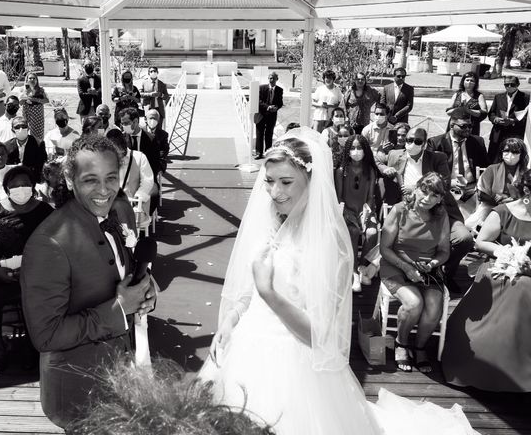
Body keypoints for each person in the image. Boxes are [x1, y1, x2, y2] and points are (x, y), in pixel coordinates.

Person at [199, 128, 476, 434]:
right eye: (268, 181)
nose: (274, 191)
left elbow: (318, 334)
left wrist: (269, 293)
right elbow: (249, 290)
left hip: (296, 367)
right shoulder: (269, 219)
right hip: (245, 349)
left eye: (286, 182)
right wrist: (231, 320)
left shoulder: (329, 242)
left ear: (312, 181)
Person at [20, 135, 156, 428]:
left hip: (126, 369)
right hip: (79, 388)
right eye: (91, 180)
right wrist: (120, 309)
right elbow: (46, 336)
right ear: (70, 179)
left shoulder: (120, 211)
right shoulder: (48, 243)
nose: (104, 189)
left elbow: (123, 270)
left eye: (111, 177)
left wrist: (145, 291)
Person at [442, 169, 531, 392]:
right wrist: (509, 254)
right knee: (516, 287)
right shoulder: (502, 211)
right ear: (527, 190)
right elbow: (481, 242)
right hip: (499, 266)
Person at [0, 166, 53, 372]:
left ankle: (34, 346)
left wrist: (32, 271)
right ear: (6, 189)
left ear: (33, 186)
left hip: (38, 271)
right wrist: (0, 272)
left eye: (25, 184)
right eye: (14, 186)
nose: (20, 189)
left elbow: (57, 247)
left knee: (41, 295)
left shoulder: (45, 212)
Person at [378, 127, 474, 293]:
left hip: (439, 209)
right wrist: (385, 169)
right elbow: (377, 160)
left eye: (417, 141)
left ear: (424, 144)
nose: (412, 144)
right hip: (408, 212)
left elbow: (443, 184)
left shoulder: (438, 158)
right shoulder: (395, 155)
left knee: (464, 238)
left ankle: (445, 272)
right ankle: (412, 269)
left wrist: (415, 188)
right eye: (409, 140)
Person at [380, 172, 450, 373]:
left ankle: (419, 347)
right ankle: (401, 343)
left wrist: (434, 262)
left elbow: (445, 251)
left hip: (427, 267)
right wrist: (406, 268)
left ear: (440, 198)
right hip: (395, 263)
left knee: (434, 306)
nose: (428, 199)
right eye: (424, 192)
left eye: (434, 196)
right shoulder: (400, 210)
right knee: (413, 303)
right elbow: (385, 247)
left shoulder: (441, 215)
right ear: (417, 189)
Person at [335, 135, 380, 292]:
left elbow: (370, 197)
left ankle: (362, 267)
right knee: (353, 232)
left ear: (365, 150)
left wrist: (366, 214)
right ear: (347, 151)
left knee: (372, 233)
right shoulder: (342, 171)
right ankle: (353, 272)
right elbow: (339, 198)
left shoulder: (370, 170)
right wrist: (348, 214)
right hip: (347, 210)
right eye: (353, 148)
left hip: (365, 209)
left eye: (359, 148)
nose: (356, 151)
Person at [427, 111, 488, 220]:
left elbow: (485, 168)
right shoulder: (436, 143)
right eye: (463, 126)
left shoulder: (477, 142)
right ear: (451, 125)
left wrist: (479, 186)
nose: (468, 129)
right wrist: (449, 182)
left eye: (470, 126)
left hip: (473, 189)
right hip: (447, 189)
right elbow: (429, 172)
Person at [465, 138, 528, 230]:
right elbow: (481, 195)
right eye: (506, 150)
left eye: (515, 152)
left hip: (519, 210)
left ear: (522, 155)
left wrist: (509, 200)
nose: (510, 154)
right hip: (491, 208)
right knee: (470, 227)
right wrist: (499, 202)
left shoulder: (526, 173)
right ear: (501, 152)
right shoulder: (492, 169)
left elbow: (527, 197)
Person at [107, 128, 154, 224]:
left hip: (134, 204)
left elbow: (147, 181)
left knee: (133, 217)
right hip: (110, 205)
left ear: (123, 146)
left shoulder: (139, 157)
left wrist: (138, 198)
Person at [486, 75, 530, 163]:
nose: (509, 87)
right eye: (506, 84)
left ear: (518, 84)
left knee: (512, 159)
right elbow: (491, 113)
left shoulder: (526, 98)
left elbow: (528, 117)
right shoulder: (498, 97)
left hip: (515, 134)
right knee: (493, 159)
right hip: (498, 133)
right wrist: (495, 119)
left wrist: (513, 121)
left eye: (512, 84)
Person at [5, 116, 47, 183]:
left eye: (24, 126)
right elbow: (6, 166)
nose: (21, 129)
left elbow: (41, 165)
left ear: (28, 128)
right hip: (13, 180)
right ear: (12, 130)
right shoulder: (7, 146)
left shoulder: (38, 144)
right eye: (17, 127)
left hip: (33, 180)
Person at [446, 71, 487, 136]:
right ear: (463, 82)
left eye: (472, 81)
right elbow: (448, 111)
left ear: (475, 83)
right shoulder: (457, 94)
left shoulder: (479, 96)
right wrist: (459, 109)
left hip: (471, 127)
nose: (469, 82)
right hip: (455, 126)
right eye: (467, 80)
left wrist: (468, 110)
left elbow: (484, 112)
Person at [255, 72, 284, 159]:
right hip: (261, 114)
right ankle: (258, 153)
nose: (271, 80)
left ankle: (268, 152)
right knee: (259, 134)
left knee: (269, 134)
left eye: (273, 78)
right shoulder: (262, 88)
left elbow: (280, 103)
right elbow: (258, 101)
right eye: (270, 78)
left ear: (276, 80)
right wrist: (268, 107)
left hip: (272, 116)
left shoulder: (279, 90)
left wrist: (276, 107)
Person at [16, 71, 48, 142]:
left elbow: (46, 100)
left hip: (37, 114)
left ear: (37, 80)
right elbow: (20, 103)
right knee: (24, 133)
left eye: (34, 78)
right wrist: (26, 94)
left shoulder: (40, 89)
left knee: (37, 135)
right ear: (27, 80)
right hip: (26, 113)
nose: (32, 80)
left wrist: (34, 99)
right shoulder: (22, 89)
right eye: (30, 78)